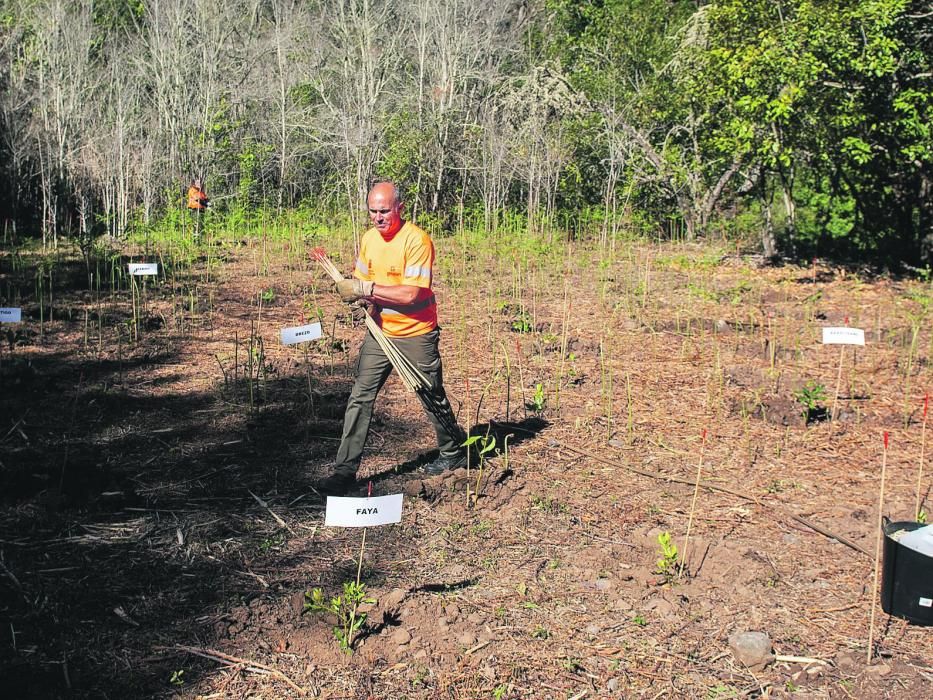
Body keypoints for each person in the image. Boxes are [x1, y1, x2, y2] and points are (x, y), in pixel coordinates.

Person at [320, 181, 466, 494]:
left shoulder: (416, 240)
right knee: (360, 396)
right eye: (372, 211)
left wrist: (366, 290)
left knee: (430, 394)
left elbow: (412, 293)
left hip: (416, 333)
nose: (378, 217)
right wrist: (362, 299)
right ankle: (344, 472)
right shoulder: (369, 239)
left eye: (384, 211)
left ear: (399, 208)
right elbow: (362, 281)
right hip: (379, 331)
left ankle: (453, 454)